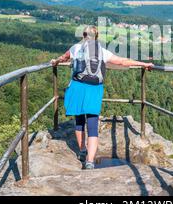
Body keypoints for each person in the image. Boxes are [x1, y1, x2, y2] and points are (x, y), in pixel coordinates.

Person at [51, 25, 154, 170]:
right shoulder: (102, 51)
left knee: (79, 121)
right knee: (92, 124)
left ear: (84, 35)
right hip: (94, 89)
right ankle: (90, 161)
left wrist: (55, 61)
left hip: (77, 87)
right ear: (97, 37)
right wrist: (144, 64)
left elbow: (63, 58)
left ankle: (82, 151)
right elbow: (122, 61)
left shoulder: (75, 48)